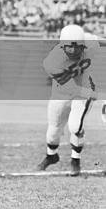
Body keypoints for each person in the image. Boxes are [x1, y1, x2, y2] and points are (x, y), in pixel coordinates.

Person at [37, 25, 100, 176]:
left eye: (78, 47)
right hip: (63, 91)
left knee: (75, 126)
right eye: (69, 47)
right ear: (61, 45)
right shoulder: (52, 62)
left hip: (84, 89)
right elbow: (70, 87)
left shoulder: (90, 41)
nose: (73, 51)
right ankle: (52, 155)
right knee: (54, 129)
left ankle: (75, 160)